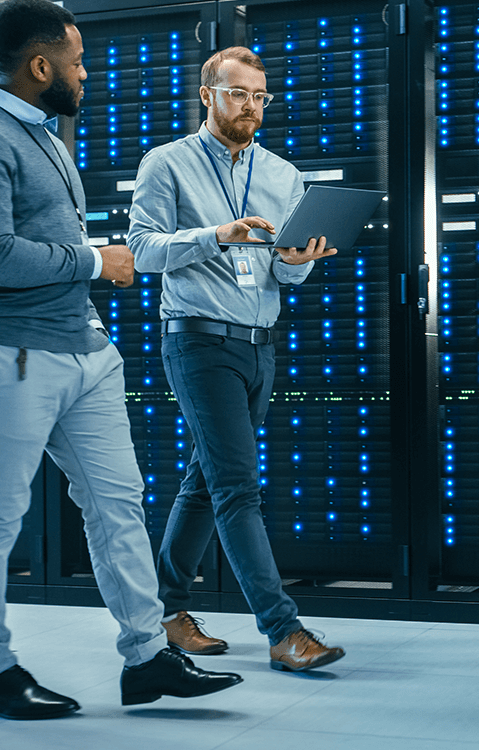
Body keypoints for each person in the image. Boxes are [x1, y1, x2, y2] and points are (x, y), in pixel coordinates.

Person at [0, 0, 242, 720]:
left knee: (118, 505)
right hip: (2, 353)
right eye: (75, 61)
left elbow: (47, 244)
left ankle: (146, 658)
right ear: (40, 67)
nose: (85, 72)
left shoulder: (42, 132)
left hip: (80, 351)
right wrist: (98, 260)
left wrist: (94, 310)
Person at [127, 46, 346, 672]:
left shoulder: (282, 174)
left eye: (260, 96)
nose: (250, 106)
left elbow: (279, 267)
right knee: (237, 487)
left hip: (261, 345)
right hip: (197, 341)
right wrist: (215, 236)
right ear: (207, 95)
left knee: (207, 479)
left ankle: (165, 610)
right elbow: (142, 251)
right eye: (238, 94)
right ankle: (283, 631)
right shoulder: (165, 163)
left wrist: (295, 265)